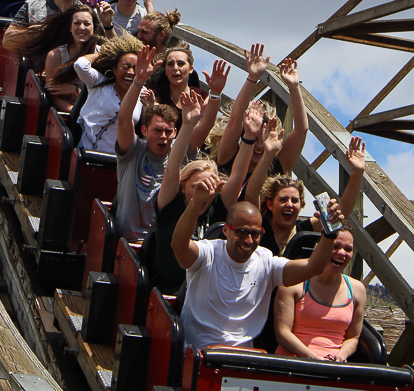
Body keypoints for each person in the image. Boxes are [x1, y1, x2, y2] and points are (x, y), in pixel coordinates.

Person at [171, 195, 343, 351]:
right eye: (241, 232)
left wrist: (330, 233)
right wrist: (195, 202)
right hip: (196, 353)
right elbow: (179, 246)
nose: (249, 240)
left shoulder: (265, 261)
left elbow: (313, 268)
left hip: (243, 357)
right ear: (226, 230)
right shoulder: (208, 252)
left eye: (255, 234)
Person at [151, 94, 260, 297]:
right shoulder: (171, 206)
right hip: (167, 295)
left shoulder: (216, 207)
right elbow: (173, 168)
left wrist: (249, 138)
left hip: (205, 296)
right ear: (183, 188)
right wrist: (188, 124)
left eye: (209, 186)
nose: (203, 192)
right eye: (197, 186)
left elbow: (237, 176)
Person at [248, 135, 366, 256]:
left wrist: (357, 172)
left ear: (301, 206)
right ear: (270, 204)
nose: (289, 204)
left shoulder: (304, 229)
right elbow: (252, 192)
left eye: (294, 201)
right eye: (283, 200)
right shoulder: (260, 226)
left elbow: (342, 211)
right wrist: (268, 154)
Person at [208, 47, 309, 179]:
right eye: (254, 139)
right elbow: (235, 120)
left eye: (265, 139)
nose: (260, 146)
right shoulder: (228, 156)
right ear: (242, 137)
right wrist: (252, 77)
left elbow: (302, 129)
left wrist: (294, 86)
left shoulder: (277, 165)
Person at [274, 222, 366, 362]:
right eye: (335, 247)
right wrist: (312, 357)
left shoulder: (357, 290)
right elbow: (283, 333)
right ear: (321, 247)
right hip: (295, 361)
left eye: (348, 249)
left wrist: (342, 355)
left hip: (333, 365)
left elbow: (353, 337)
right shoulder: (294, 282)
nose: (341, 253)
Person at [114, 45, 178, 241]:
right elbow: (124, 119)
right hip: (128, 242)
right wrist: (139, 81)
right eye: (158, 131)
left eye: (168, 132)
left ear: (175, 133)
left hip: (159, 245)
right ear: (144, 131)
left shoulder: (177, 156)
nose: (164, 137)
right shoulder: (134, 150)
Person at [14, 5, 99, 113]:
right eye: (77, 23)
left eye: (87, 24)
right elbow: (54, 96)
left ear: (94, 28)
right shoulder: (55, 55)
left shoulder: (101, 55)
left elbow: (102, 95)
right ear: (70, 27)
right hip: (69, 113)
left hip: (95, 111)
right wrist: (75, 112)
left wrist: (74, 90)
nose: (82, 28)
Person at [74, 34, 144, 153]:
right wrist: (104, 53)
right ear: (115, 69)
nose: (130, 72)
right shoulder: (99, 82)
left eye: (135, 68)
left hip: (118, 161)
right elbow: (80, 65)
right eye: (125, 67)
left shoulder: (142, 92)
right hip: (88, 154)